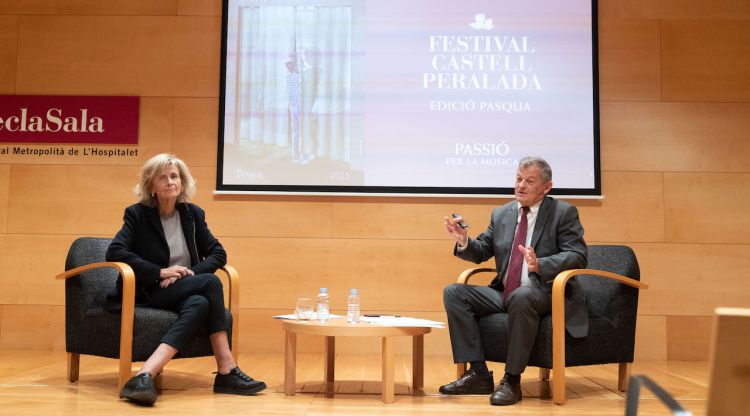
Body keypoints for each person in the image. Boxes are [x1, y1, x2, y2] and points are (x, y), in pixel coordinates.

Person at [106, 153, 266, 406]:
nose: (171, 182)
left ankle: (146, 374)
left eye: (175, 176)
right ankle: (226, 370)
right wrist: (160, 272)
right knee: (211, 283)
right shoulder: (137, 214)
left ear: (182, 182)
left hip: (184, 288)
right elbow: (115, 251)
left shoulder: (192, 214)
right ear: (151, 186)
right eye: (163, 177)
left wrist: (189, 273)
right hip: (151, 290)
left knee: (201, 303)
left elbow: (218, 253)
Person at [439, 156, 588, 406]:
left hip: (546, 292)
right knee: (454, 292)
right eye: (518, 179)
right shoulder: (502, 213)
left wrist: (541, 264)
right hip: (505, 292)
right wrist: (464, 240)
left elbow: (578, 255)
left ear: (546, 187)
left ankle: (512, 379)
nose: (520, 186)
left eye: (529, 181)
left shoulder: (563, 213)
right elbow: (483, 250)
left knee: (522, 295)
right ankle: (478, 374)